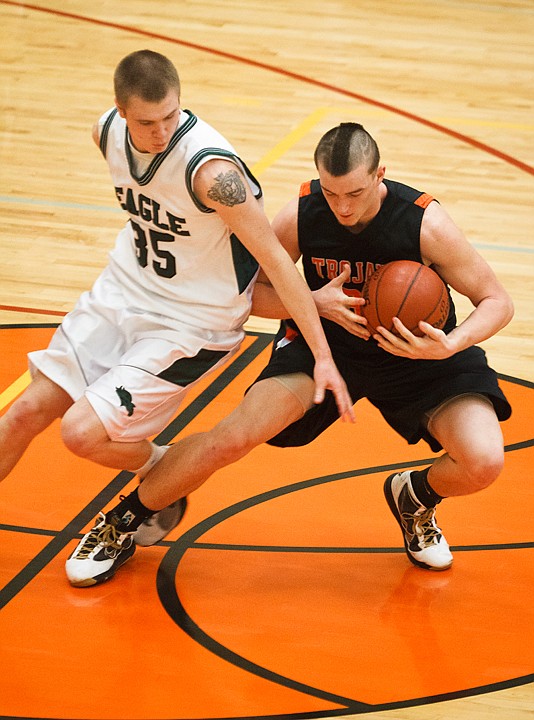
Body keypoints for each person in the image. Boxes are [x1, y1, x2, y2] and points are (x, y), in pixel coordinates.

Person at [65, 121, 514, 587]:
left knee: (483, 461)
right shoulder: (302, 214)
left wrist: (451, 343)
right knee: (231, 438)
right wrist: (312, 303)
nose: (342, 206)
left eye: (355, 193)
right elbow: (244, 293)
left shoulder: (423, 222)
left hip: (417, 354)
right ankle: (122, 520)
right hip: (326, 348)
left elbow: (498, 301)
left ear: (381, 174)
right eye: (331, 191)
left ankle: (415, 496)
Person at [0, 50, 355, 584]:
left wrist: (322, 352)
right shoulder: (104, 133)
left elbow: (276, 262)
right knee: (24, 413)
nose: (163, 131)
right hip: (120, 293)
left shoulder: (213, 174)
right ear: (120, 112)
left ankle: (161, 472)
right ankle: (163, 466)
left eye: (172, 115)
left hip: (191, 325)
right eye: (147, 121)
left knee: (79, 435)